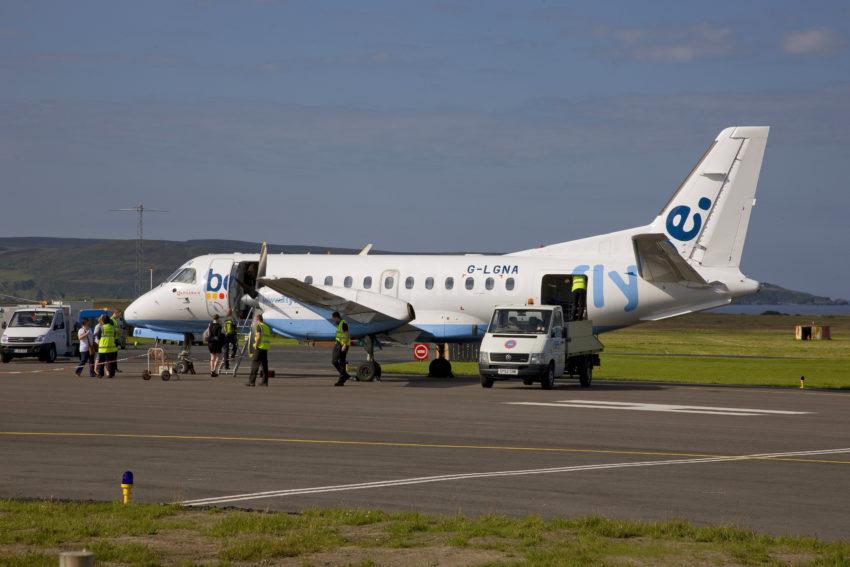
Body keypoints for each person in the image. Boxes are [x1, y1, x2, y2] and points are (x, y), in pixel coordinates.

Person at [246, 313, 270, 387]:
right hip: (265, 348)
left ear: (257, 320)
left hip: (259, 348)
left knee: (255, 365)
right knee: (264, 366)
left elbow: (259, 337)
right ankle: (265, 382)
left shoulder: (259, 326)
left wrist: (256, 345)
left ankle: (251, 382)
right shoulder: (266, 327)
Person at [331, 311, 351, 386]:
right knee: (335, 361)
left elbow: (347, 335)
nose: (333, 320)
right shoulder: (339, 324)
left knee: (340, 362)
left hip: (343, 345)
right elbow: (339, 335)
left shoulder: (343, 324)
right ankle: (344, 375)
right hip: (338, 344)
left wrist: (345, 345)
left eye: (334, 319)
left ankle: (342, 379)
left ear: (337, 317)